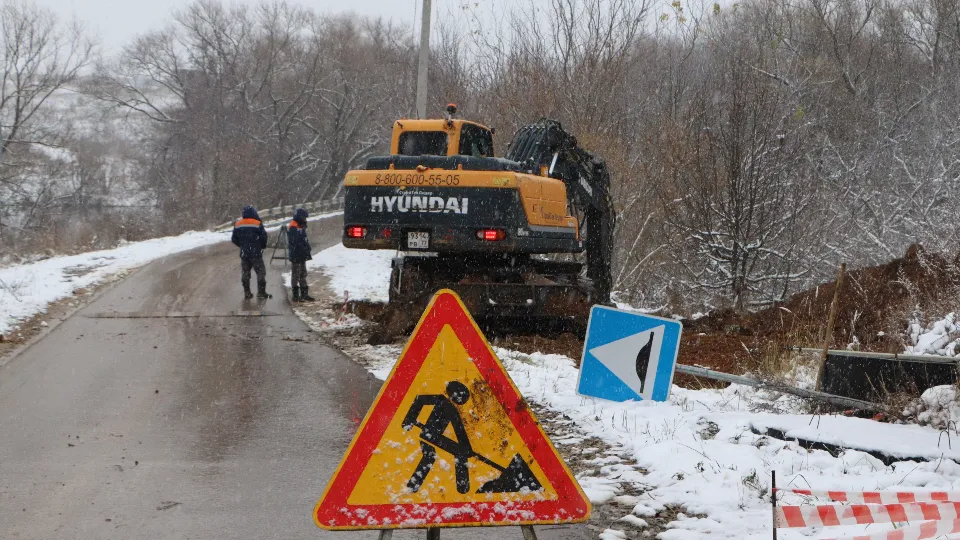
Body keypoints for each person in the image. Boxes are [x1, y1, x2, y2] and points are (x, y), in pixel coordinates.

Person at [401, 381, 474, 494]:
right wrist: (409, 419)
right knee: (435, 455)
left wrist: (468, 449)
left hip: (432, 436)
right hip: (429, 434)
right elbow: (419, 399)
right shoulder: (442, 401)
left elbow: (460, 433)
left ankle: (413, 486)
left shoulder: (451, 409)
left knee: (432, 456)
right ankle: (462, 487)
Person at [231, 205, 270, 299]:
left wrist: (242, 245)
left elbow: (233, 239)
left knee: (245, 272)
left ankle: (247, 292)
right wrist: (261, 245)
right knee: (260, 272)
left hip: (244, 254)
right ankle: (261, 292)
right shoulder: (257, 223)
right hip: (256, 253)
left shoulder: (238, 224)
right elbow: (263, 237)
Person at [287, 208, 314, 302]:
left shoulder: (300, 226)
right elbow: (295, 242)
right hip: (296, 255)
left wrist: (306, 249)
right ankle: (295, 295)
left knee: (303, 274)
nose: (305, 220)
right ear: (300, 217)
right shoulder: (293, 227)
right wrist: (303, 248)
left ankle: (304, 294)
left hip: (301, 254)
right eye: (304, 218)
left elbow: (303, 240)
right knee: (296, 275)